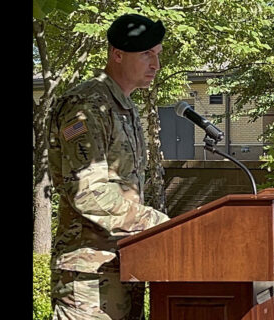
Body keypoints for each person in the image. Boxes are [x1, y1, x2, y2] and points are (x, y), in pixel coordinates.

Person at [46, 13, 170, 320]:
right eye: (146, 55)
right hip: (88, 276)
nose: (155, 65)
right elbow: (89, 193)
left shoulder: (125, 107)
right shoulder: (86, 106)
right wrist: (158, 223)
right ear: (117, 54)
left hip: (125, 262)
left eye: (157, 54)